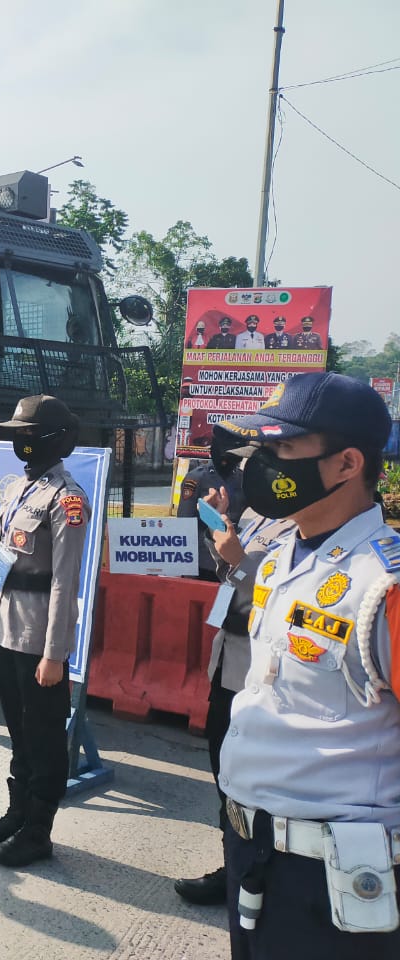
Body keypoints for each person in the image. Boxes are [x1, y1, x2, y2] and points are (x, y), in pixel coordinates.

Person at [214, 372, 400, 958]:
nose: (261, 466)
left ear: (347, 464)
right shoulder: (277, 559)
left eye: (282, 451)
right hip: (252, 849)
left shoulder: (384, 585)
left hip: (333, 878)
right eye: (262, 450)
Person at [173, 456, 296, 905]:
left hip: (257, 670)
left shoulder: (300, 529)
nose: (248, 476)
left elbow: (271, 595)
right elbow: (229, 576)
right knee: (224, 775)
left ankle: (253, 872)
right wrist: (221, 530)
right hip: (227, 658)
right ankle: (234, 865)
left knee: (254, 780)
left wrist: (239, 559)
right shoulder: (256, 515)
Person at [0, 394, 90, 867]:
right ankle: (16, 814)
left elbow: (65, 581)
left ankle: (38, 831)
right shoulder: (19, 490)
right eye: (16, 434)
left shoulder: (67, 498)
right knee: (19, 733)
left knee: (43, 737)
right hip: (5, 628)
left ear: (55, 439)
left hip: (38, 637)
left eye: (29, 434)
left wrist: (55, 654)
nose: (21, 442)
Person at [176, 428, 249, 582]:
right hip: (204, 562)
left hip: (236, 558)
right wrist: (187, 569)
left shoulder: (243, 479)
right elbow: (185, 524)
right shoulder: (196, 478)